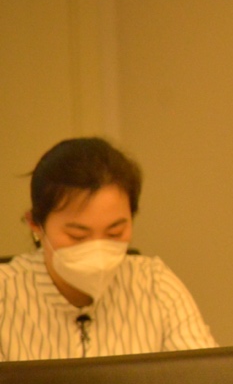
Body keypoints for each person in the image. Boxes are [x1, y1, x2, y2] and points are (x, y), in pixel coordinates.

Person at [0, 137, 216, 361]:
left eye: (115, 233)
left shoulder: (155, 286)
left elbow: (206, 375)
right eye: (77, 236)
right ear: (36, 224)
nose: (98, 249)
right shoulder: (5, 296)